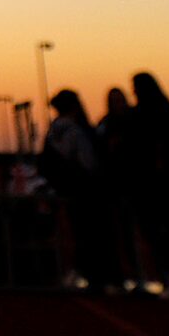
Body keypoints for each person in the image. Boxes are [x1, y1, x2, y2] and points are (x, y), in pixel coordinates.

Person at [39, 88, 122, 292]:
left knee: (82, 233)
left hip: (70, 188)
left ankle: (89, 273)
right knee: (94, 233)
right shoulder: (74, 130)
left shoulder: (55, 130)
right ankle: (99, 276)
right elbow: (87, 162)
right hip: (85, 189)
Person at [129, 70, 169, 299]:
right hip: (155, 183)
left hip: (164, 183)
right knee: (162, 233)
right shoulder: (157, 110)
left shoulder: (158, 112)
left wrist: (161, 162)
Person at [97, 85, 145, 287]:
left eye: (119, 100)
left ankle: (139, 276)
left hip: (132, 185)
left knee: (132, 234)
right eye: (113, 101)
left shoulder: (134, 122)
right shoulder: (105, 124)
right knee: (116, 235)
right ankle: (119, 275)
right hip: (112, 186)